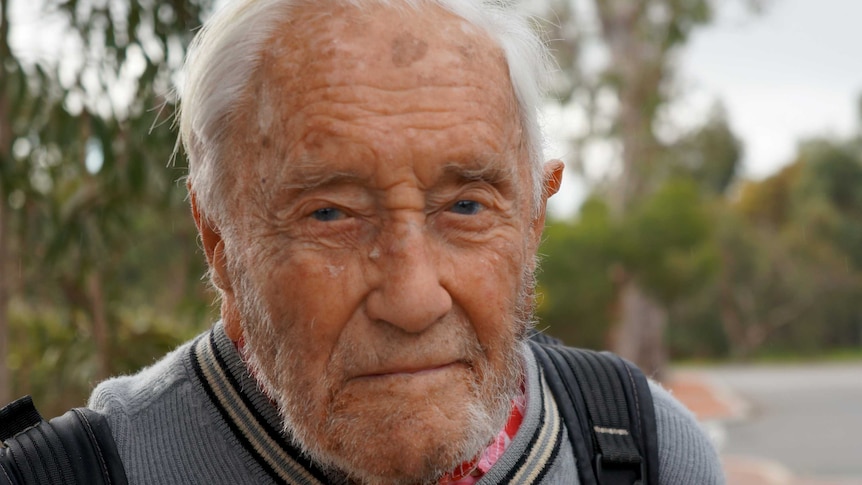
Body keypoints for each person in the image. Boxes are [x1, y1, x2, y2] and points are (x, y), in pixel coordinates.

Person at [88, 0, 725, 483]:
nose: (414, 299)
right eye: (331, 214)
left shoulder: (651, 453)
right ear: (219, 243)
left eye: (467, 206)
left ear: (533, 221)